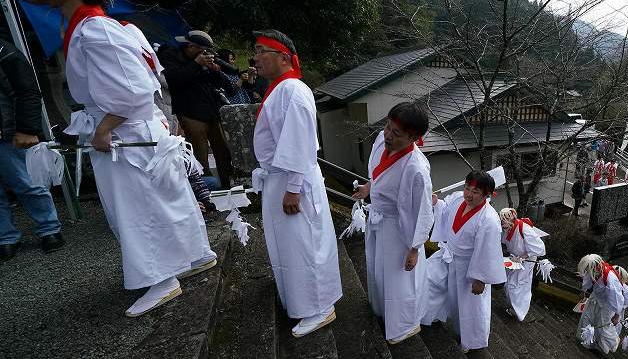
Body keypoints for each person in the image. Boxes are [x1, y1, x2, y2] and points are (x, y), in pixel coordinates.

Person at [13, 0, 217, 316]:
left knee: (135, 209)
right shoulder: (104, 27)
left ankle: (161, 279)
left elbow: (133, 91)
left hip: (126, 136)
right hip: (141, 131)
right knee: (167, 202)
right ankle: (194, 257)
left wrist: (104, 130)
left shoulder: (96, 31)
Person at [251, 29, 342, 337]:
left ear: (284, 57)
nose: (256, 57)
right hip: (281, 177)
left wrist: (292, 188)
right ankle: (298, 299)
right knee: (291, 245)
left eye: (263, 50)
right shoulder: (279, 88)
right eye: (256, 50)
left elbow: (300, 143)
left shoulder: (293, 89)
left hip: (294, 180)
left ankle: (319, 307)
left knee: (306, 245)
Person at [352, 102, 434, 344]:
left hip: (399, 230)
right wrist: (369, 187)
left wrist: (415, 248)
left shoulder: (416, 169)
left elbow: (422, 211)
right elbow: (378, 174)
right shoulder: (381, 139)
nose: (388, 135)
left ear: (414, 137)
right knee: (379, 271)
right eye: (388, 127)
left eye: (396, 133)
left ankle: (405, 324)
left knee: (400, 279)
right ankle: (382, 310)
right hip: (379, 220)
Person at [422, 171, 506, 353]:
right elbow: (446, 211)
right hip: (448, 256)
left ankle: (471, 341)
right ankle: (431, 314)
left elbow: (488, 252)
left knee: (468, 308)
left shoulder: (489, 220)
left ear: (487, 195)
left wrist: (480, 279)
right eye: (467, 188)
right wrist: (437, 203)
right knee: (428, 281)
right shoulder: (458, 198)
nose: (468, 194)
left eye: (475, 192)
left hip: (470, 268)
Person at [0, 37, 65, 261]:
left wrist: (26, 128)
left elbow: (26, 89)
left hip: (6, 133)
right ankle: (6, 237)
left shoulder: (3, 50)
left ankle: (49, 229)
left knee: (28, 183)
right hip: (7, 131)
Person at [157, 30, 234, 188]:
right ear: (191, 47)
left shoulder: (203, 61)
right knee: (199, 155)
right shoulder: (171, 56)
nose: (205, 54)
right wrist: (196, 64)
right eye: (202, 50)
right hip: (189, 111)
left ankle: (228, 185)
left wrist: (215, 71)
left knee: (224, 151)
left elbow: (222, 86)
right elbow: (174, 80)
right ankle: (205, 190)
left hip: (212, 112)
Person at [498, 207, 547, 322]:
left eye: (504, 223)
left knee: (517, 286)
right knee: (510, 284)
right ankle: (514, 308)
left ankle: (519, 312)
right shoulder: (507, 228)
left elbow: (540, 248)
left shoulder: (524, 229)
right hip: (514, 259)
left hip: (526, 261)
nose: (503, 226)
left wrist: (522, 257)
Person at [575, 254, 623, 354]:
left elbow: (617, 298)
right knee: (586, 318)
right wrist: (583, 290)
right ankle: (587, 341)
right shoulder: (593, 270)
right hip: (595, 298)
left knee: (602, 326)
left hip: (607, 305)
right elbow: (588, 279)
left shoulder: (610, 278)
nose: (588, 271)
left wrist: (617, 314)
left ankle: (613, 342)